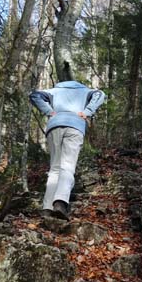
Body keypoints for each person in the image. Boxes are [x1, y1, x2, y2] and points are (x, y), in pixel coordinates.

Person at [29, 79, 105, 220]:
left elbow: (34, 95)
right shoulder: (84, 90)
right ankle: (60, 203)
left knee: (55, 168)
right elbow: (100, 94)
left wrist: (49, 111)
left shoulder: (54, 91)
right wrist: (87, 111)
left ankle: (47, 208)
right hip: (75, 126)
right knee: (67, 167)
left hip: (55, 126)